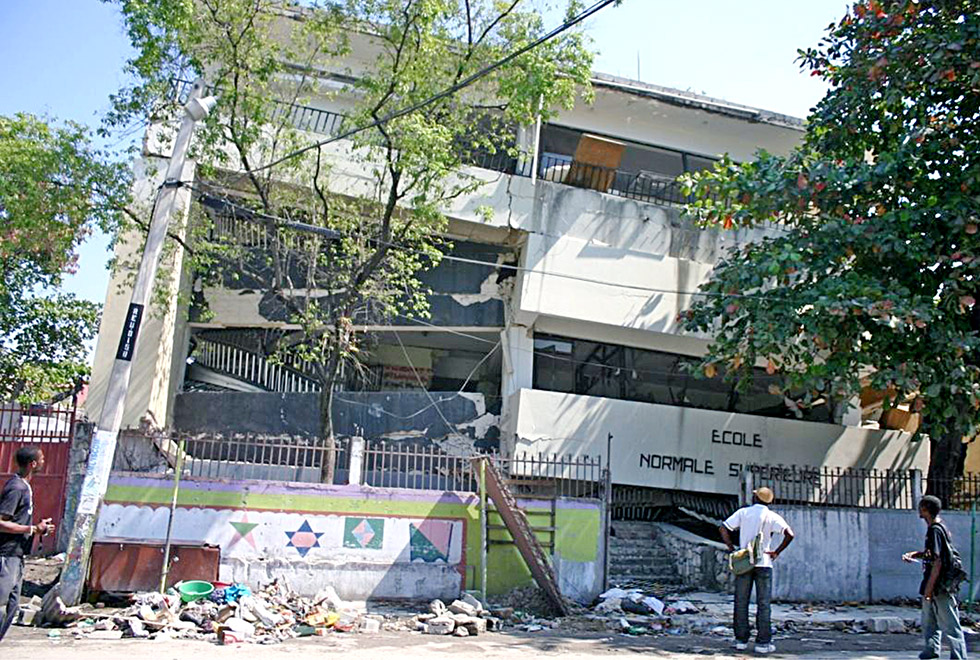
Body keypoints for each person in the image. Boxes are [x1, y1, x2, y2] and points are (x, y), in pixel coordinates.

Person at [719, 486, 795, 655]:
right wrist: (776, 551)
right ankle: (763, 642)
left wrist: (732, 548)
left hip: (745, 563)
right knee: (763, 604)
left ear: (755, 498)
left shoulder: (743, 513)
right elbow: (790, 534)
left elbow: (723, 528)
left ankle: (741, 640)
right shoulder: (772, 516)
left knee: (741, 602)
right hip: (764, 563)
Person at [903, 495, 968, 660]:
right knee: (929, 622)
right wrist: (915, 554)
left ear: (925, 509)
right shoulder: (939, 528)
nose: (919, 510)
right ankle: (931, 650)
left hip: (939, 586)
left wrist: (929, 590)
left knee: (951, 624)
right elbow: (933, 554)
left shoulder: (935, 530)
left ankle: (959, 656)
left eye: (920, 507)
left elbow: (938, 562)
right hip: (933, 584)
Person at [0, 446, 54, 642]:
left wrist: (39, 528)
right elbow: (1, 522)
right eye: (41, 459)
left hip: (17, 555)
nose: (43, 462)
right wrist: (31, 529)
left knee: (12, 606)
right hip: (6, 555)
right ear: (33, 464)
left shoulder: (24, 486)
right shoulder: (16, 488)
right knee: (2, 605)